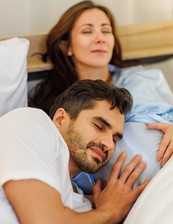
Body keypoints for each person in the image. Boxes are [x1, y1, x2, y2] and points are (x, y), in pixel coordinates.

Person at [29, 1, 173, 192]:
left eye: (106, 31)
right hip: (127, 199)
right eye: (87, 31)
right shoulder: (54, 111)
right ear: (66, 46)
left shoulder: (144, 78)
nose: (100, 38)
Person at [0, 79, 149, 224]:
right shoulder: (30, 122)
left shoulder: (91, 218)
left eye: (115, 139)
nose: (108, 144)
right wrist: (112, 211)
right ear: (60, 119)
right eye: (99, 126)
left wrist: (102, 210)